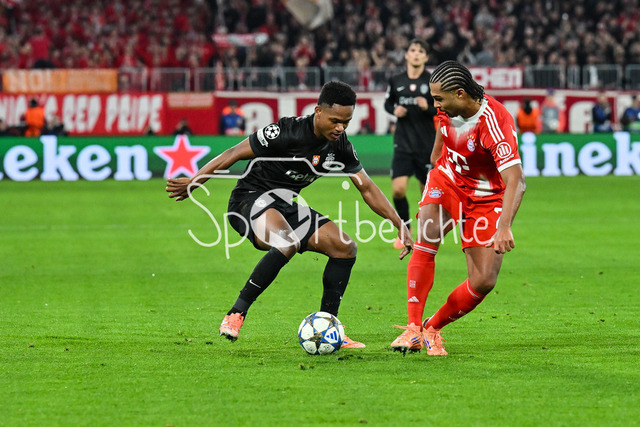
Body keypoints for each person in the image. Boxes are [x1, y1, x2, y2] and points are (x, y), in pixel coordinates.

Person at [166, 81, 413, 348]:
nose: (340, 128)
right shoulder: (286, 131)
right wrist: (195, 181)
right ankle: (236, 313)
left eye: (346, 122)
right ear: (318, 111)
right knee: (287, 242)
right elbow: (234, 152)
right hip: (249, 200)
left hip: (285, 205)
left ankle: (328, 326)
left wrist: (399, 223)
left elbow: (367, 187)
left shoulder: (340, 145)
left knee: (345, 247)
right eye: (335, 121)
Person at [390, 60, 526, 355]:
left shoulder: (494, 122)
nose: (435, 104)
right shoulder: (446, 109)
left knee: (484, 280)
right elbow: (437, 149)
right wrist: (434, 176)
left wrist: (504, 226)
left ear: (460, 94)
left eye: (439, 98)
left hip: (486, 196)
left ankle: (432, 327)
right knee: (426, 240)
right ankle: (412, 329)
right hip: (448, 180)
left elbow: (516, 180)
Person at [383, 38, 438, 250]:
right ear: (406, 55)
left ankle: (426, 233)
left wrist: (428, 108)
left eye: (420, 51)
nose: (416, 54)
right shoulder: (396, 80)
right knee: (398, 190)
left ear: (425, 57)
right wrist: (394, 110)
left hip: (426, 144)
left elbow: (442, 107)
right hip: (403, 143)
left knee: (426, 194)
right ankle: (405, 229)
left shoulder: (432, 81)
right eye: (413, 50)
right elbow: (388, 102)